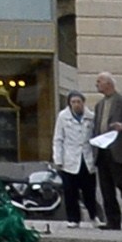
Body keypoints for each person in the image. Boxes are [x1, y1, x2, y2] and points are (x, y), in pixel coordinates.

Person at [84, 76, 122, 231]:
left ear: (109, 84)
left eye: (99, 82)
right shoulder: (99, 105)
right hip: (102, 150)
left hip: (118, 150)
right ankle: (113, 221)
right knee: (106, 189)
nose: (96, 84)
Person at [48, 92, 92, 225]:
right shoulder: (63, 117)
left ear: (83, 102)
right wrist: (58, 159)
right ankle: (73, 219)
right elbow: (58, 139)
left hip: (86, 158)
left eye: (79, 102)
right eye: (73, 102)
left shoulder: (91, 117)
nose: (76, 105)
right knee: (70, 191)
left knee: (89, 190)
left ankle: (93, 215)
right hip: (69, 158)